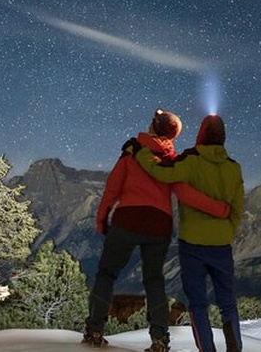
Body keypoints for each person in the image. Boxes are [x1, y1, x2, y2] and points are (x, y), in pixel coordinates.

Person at [83, 110, 231, 352]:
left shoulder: (132, 151)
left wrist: (102, 217)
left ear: (153, 127)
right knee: (154, 281)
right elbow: (186, 193)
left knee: (106, 274)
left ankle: (95, 330)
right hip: (159, 226)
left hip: (127, 220)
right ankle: (159, 339)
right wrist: (218, 208)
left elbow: (112, 187)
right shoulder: (173, 160)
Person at [134, 114, 245, 352]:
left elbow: (160, 173)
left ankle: (207, 349)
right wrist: (227, 233)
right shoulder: (234, 168)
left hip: (192, 245)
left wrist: (141, 152)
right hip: (222, 245)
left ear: (200, 136)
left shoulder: (190, 161)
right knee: (228, 303)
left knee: (198, 304)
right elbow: (237, 209)